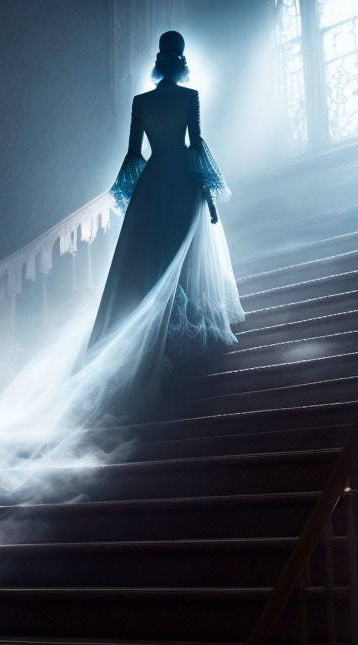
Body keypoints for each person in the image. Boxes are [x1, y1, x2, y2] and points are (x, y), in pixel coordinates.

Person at [84, 30, 244, 413]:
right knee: (181, 258)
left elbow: (133, 155)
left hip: (153, 185)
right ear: (182, 61)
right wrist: (208, 198)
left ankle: (158, 343)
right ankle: (174, 343)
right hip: (181, 182)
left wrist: (138, 197)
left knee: (151, 263)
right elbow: (196, 146)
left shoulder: (141, 102)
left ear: (159, 62)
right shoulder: (190, 97)